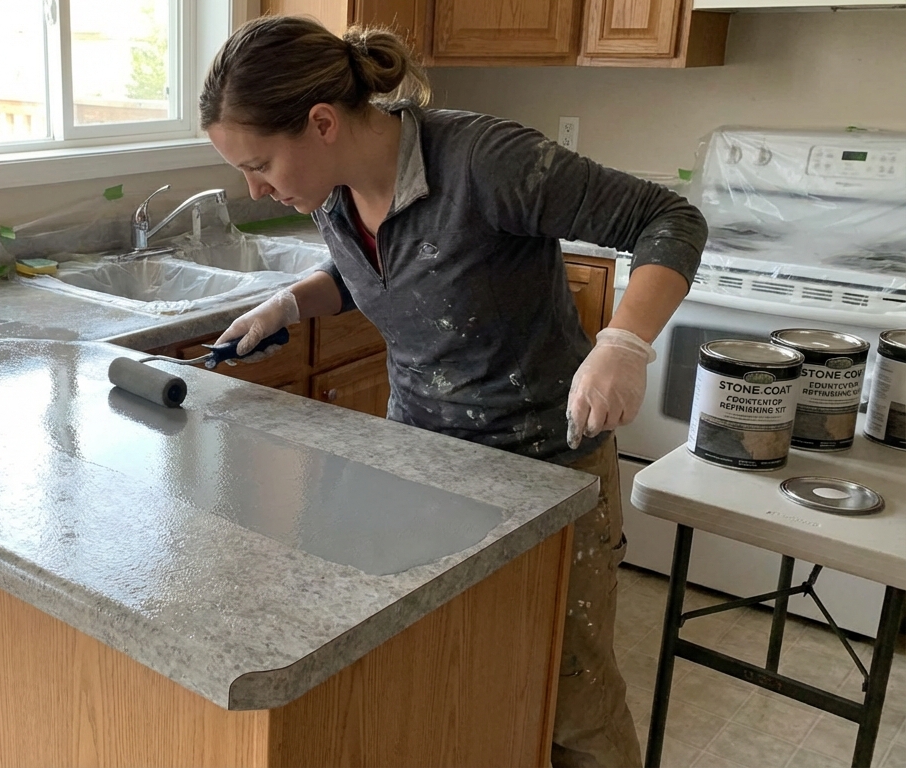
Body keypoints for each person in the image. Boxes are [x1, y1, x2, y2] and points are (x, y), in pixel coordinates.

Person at [201, 15, 706, 768]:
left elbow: (669, 218)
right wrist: (290, 303)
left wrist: (623, 343)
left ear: (321, 123)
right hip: (418, 467)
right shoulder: (331, 192)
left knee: (571, 694)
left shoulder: (485, 161)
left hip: (543, 475)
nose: (254, 186)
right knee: (449, 670)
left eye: (259, 162)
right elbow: (392, 266)